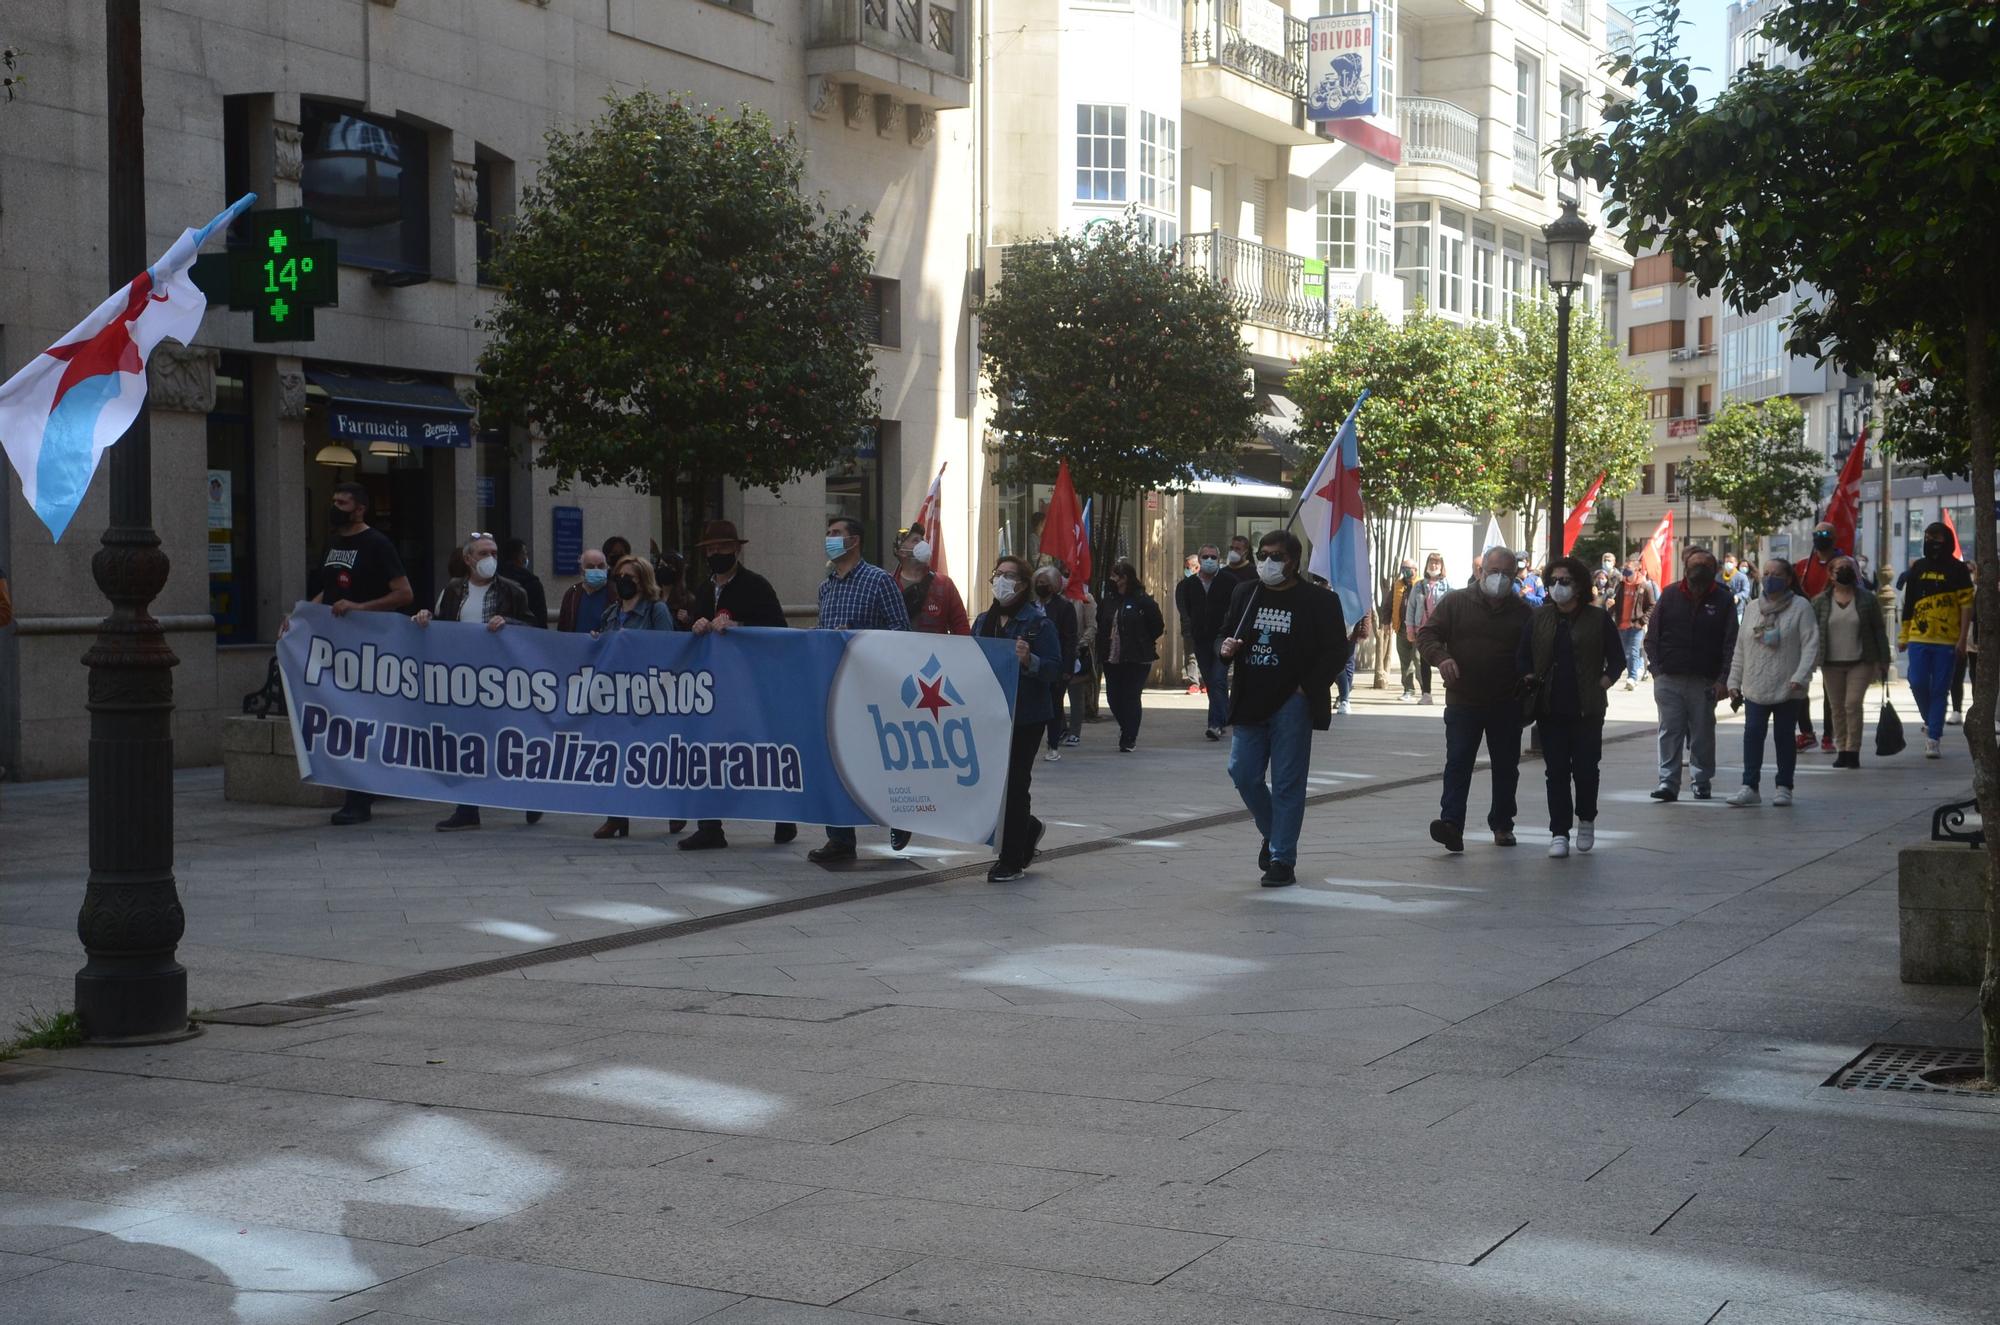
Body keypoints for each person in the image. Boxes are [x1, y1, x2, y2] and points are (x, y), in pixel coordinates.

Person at [1219, 531, 1349, 886]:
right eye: (1263, 554)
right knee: (1242, 773)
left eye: (1276, 556)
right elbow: (1224, 633)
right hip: (1250, 698)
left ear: (1294, 561)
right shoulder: (1246, 593)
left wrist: (1307, 687)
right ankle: (1274, 832)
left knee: (1288, 783)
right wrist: (1225, 648)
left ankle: (1282, 859)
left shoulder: (1319, 601)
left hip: (1293, 703)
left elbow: (1338, 650)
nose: (1267, 562)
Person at [305, 482, 414, 827]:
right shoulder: (333, 542)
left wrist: (360, 607)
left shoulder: (377, 544)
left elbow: (403, 593)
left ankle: (361, 797)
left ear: (360, 508)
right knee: (342, 717)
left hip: (369, 645)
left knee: (361, 718)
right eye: (333, 500)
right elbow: (329, 589)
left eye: (342, 502)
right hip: (338, 646)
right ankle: (354, 790)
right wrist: (300, 615)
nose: (334, 506)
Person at [415, 534, 538, 832]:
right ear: (468, 559)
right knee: (466, 744)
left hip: (502, 681)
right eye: (483, 553)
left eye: (493, 552)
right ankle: (467, 809)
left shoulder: (514, 591)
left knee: (509, 741)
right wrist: (425, 618)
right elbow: (442, 627)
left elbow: (534, 630)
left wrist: (511, 624)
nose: (490, 558)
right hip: (464, 682)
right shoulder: (454, 590)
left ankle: (532, 795)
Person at [683, 520, 794, 850]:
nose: (716, 554)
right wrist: (696, 624)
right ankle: (709, 826)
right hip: (713, 688)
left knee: (761, 750)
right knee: (708, 752)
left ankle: (784, 814)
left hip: (752, 685)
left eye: (722, 548)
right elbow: (689, 630)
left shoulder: (757, 586)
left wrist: (740, 627)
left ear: (737, 549)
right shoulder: (704, 589)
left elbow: (778, 630)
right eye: (711, 550)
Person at [1417, 547, 1534, 853]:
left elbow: (1535, 654)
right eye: (1494, 572)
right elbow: (1427, 635)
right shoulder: (1456, 602)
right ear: (1481, 572)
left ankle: (1503, 824)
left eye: (1506, 574)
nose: (1499, 579)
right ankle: (1452, 824)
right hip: (1463, 700)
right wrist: (1441, 658)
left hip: (1506, 703)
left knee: (1506, 766)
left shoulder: (1523, 612)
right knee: (1458, 762)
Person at [810, 516, 911, 864]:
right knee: (836, 759)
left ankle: (899, 817)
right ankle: (839, 836)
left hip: (871, 688)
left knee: (878, 759)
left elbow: (901, 631)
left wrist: (858, 638)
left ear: (855, 541)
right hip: (837, 688)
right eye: (828, 533)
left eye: (836, 534)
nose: (830, 539)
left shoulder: (878, 581)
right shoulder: (826, 587)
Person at [1518, 557, 1623, 857]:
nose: (1557, 587)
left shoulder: (1597, 618)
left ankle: (1586, 819)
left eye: (1564, 581)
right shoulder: (1539, 618)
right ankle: (1559, 832)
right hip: (1550, 708)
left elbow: (1617, 660)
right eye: (1553, 581)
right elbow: (1523, 654)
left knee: (1587, 769)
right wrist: (1528, 677)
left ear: (1578, 585)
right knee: (1557, 772)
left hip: (1587, 708)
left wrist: (1603, 682)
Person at [975, 557, 1066, 882]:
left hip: (1026, 715)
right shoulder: (984, 621)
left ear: (1023, 584)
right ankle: (1027, 828)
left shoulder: (1038, 624)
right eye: (997, 574)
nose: (1001, 581)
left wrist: (1031, 660)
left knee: (1014, 783)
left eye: (1009, 576)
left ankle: (1010, 859)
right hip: (991, 714)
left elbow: (1056, 669)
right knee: (993, 784)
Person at [586, 555, 679, 839]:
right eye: (620, 576)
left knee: (655, 755)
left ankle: (674, 809)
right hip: (616, 695)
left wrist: (636, 642)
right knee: (616, 755)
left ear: (643, 580)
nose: (624, 581)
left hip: (648, 694)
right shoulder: (611, 613)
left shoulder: (656, 610)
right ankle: (616, 816)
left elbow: (668, 649)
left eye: (630, 576)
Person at [1643, 547, 1737, 802]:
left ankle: (1701, 780)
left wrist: (1723, 680)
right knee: (1669, 730)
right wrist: (1657, 670)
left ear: (1714, 570)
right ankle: (1668, 783)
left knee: (1703, 731)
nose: (1699, 571)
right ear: (1686, 569)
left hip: (1705, 679)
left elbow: (1731, 643)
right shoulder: (1671, 594)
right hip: (1669, 677)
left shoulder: (1723, 599)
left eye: (1706, 566)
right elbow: (1652, 636)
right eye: (1695, 565)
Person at [1727, 558, 1819, 806]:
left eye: (1776, 574)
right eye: (1766, 573)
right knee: (1753, 734)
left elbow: (1811, 645)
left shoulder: (1801, 607)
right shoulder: (1752, 608)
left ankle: (1784, 786)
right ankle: (1749, 786)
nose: (1769, 577)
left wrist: (1801, 676)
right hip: (1755, 684)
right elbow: (1741, 648)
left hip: (1789, 686)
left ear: (1789, 579)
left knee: (1784, 736)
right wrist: (1733, 680)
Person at [1897, 521, 1974, 758]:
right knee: (1917, 681)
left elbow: (1966, 606)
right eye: (1929, 537)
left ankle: (1933, 737)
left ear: (1947, 539)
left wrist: (1962, 639)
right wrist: (1904, 634)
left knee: (1941, 689)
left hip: (1947, 641)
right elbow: (1908, 604)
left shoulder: (1959, 570)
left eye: (1937, 537)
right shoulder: (1918, 568)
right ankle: (1930, 718)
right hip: (1919, 638)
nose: (1933, 542)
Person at [1814, 554, 1892, 769]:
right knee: (1837, 707)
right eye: (1839, 568)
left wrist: (1884, 659)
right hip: (1831, 663)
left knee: (1852, 704)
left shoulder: (1867, 599)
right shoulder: (1820, 602)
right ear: (1831, 574)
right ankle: (1841, 749)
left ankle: (1853, 749)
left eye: (1849, 567)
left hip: (1862, 660)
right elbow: (1811, 633)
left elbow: (1879, 631)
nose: (1844, 571)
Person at [1095, 557, 1165, 753]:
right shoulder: (1109, 599)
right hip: (1112, 656)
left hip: (1137, 656)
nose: (1111, 579)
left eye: (1115, 575)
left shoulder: (1142, 600)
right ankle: (1126, 726)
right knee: (1113, 697)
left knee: (1131, 696)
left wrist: (1142, 640)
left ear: (1125, 577)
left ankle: (1129, 736)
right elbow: (1101, 621)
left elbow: (1157, 626)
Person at [1176, 543, 1230, 739]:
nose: (1209, 560)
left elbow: (1235, 608)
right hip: (1201, 640)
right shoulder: (1187, 585)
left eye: (1213, 557)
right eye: (1205, 556)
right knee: (1214, 681)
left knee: (1217, 679)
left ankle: (1215, 724)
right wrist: (1190, 633)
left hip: (1222, 639)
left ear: (1219, 559)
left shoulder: (1228, 582)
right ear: (1199, 560)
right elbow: (1185, 611)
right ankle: (1223, 716)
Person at [1034, 564, 1078, 761]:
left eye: (1044, 583)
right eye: (1038, 583)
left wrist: (1067, 668)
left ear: (1052, 586)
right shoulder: (1032, 607)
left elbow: (1070, 639)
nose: (1040, 586)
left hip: (1056, 664)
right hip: (1034, 664)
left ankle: (1053, 744)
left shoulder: (1064, 607)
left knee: (1054, 706)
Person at [893, 525, 970, 636]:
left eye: (922, 540)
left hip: (935, 653)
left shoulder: (944, 584)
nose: (923, 544)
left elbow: (961, 627)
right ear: (901, 551)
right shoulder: (886, 584)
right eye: (915, 540)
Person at [1402, 552, 1449, 706]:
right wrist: (1410, 629)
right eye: (1431, 562)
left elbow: (1450, 610)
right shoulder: (1419, 585)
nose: (1434, 565)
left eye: (1437, 563)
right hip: (1422, 630)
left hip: (1441, 630)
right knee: (1424, 662)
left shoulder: (1447, 586)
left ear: (1442, 566)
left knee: (1444, 659)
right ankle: (1426, 694)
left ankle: (1452, 691)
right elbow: (1411, 608)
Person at [1610, 559, 1656, 690]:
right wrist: (1610, 606)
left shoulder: (1645, 586)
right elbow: (1615, 602)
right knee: (1625, 652)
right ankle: (1632, 674)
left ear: (1636, 571)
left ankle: (1632, 677)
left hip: (1636, 625)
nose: (1626, 573)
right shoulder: (1621, 585)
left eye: (1629, 570)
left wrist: (1642, 621)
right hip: (1621, 624)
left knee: (1633, 651)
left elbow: (1652, 606)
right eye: (1625, 570)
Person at [1066, 583, 1097, 746]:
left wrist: (1079, 646)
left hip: (1077, 652)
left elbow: (1091, 627)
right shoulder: (1055, 598)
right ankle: (1061, 729)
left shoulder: (1085, 599)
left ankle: (1074, 732)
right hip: (1059, 651)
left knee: (1076, 695)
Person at [557, 547, 613, 633]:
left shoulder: (615, 593)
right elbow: (562, 627)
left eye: (601, 566)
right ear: (581, 570)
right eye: (590, 567)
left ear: (607, 568)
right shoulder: (572, 594)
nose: (596, 570)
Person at [1384, 560, 1417, 701]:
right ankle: (1408, 689)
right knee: (1405, 662)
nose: (1404, 571)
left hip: (1418, 631)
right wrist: (1386, 622)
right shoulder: (1398, 585)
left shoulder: (1421, 585)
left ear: (1415, 569)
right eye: (1403, 568)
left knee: (1419, 660)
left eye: (1407, 568)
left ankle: (1426, 689)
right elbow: (1388, 604)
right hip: (1401, 629)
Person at [498, 537, 547, 628]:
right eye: (524, 553)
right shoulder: (532, 583)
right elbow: (540, 620)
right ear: (519, 556)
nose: (526, 558)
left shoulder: (495, 579)